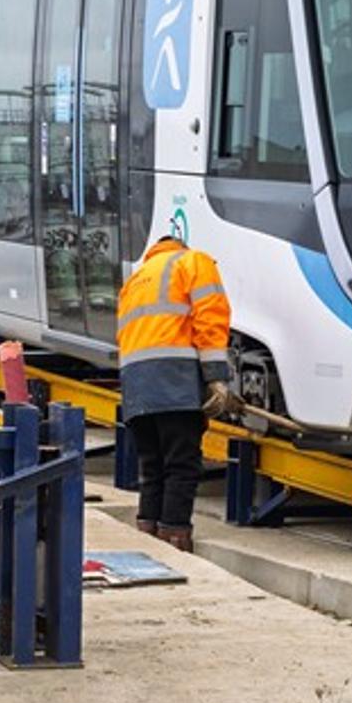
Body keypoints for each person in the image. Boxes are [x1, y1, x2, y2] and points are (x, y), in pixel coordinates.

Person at [115, 232, 239, 553]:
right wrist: (216, 377)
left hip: (136, 387)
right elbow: (210, 320)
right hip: (175, 381)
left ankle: (148, 535)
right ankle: (174, 540)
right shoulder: (192, 261)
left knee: (152, 466)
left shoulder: (136, 280)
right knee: (181, 464)